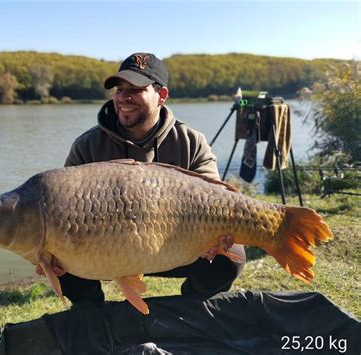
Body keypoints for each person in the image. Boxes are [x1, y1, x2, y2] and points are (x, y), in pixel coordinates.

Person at [58, 52, 245, 306]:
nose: (124, 97)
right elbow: (63, 211)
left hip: (174, 248)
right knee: (59, 253)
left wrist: (213, 239)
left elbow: (215, 201)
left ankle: (190, 307)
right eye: (120, 89)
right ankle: (92, 314)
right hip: (107, 252)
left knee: (231, 254)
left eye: (136, 89)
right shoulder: (87, 146)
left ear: (162, 96)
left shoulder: (191, 141)